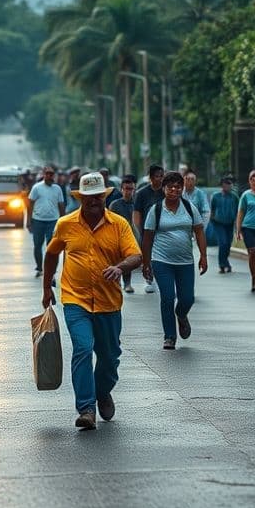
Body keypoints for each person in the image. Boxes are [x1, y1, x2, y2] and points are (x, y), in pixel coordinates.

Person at [42, 172, 142, 430]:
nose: (94, 201)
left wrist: (120, 267)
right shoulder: (66, 224)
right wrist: (46, 287)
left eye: (98, 196)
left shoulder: (119, 224)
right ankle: (86, 408)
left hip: (109, 303)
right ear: (80, 198)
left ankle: (102, 390)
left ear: (104, 197)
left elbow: (136, 256)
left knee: (110, 358)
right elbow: (51, 254)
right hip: (76, 300)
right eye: (88, 197)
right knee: (83, 349)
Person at [141, 171, 208, 350]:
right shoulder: (156, 210)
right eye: (170, 186)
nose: (174, 190)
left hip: (185, 262)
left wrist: (203, 255)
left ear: (182, 189)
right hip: (161, 261)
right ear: (163, 189)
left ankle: (181, 314)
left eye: (178, 187)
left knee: (187, 298)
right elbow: (147, 237)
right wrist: (146, 263)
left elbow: (199, 230)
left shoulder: (188, 207)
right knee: (168, 297)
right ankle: (169, 336)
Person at [27, 165, 65, 277]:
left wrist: (63, 221)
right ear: (43, 175)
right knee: (38, 245)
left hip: (53, 221)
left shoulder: (57, 189)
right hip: (38, 220)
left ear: (54, 176)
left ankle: (52, 269)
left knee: (52, 246)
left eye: (51, 174)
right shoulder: (37, 188)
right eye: (47, 174)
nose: (49, 176)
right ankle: (39, 267)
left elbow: (61, 205)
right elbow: (30, 204)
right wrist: (29, 221)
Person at [133, 164, 165, 294]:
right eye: (157, 176)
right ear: (151, 178)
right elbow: (136, 213)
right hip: (147, 230)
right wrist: (140, 231)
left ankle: (163, 280)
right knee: (148, 257)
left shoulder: (166, 192)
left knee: (162, 256)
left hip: (164, 230)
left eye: (162, 176)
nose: (160, 179)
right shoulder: (142, 194)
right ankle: (150, 280)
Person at [108, 174, 139, 293]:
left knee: (128, 259)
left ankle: (127, 284)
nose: (128, 192)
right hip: (115, 236)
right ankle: (116, 283)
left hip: (130, 236)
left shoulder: (136, 204)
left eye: (130, 189)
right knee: (115, 260)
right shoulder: (115, 205)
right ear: (121, 189)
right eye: (126, 189)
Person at [210, 176, 240, 274]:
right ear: (223, 185)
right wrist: (212, 220)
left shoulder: (234, 197)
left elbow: (238, 211)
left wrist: (237, 225)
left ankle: (225, 262)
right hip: (218, 223)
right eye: (227, 184)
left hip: (230, 224)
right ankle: (222, 265)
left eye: (230, 184)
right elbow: (212, 209)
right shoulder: (216, 196)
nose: (229, 186)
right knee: (222, 243)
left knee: (227, 244)